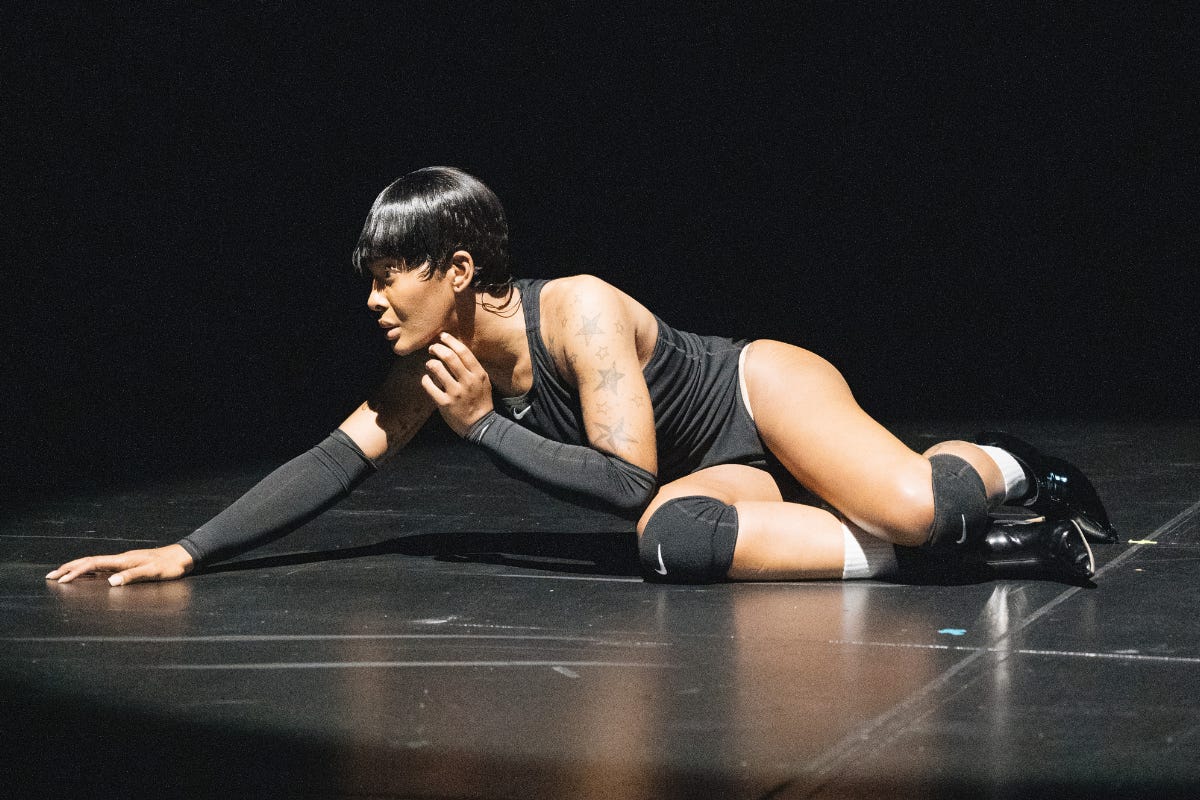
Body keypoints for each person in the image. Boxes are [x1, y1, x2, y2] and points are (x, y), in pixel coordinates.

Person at [46, 167, 1116, 588]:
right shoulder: (433, 366)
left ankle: (1014, 469)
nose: (374, 303)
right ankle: (946, 558)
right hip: (712, 474)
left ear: (459, 271)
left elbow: (615, 474)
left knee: (909, 503)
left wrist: (486, 428)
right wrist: (187, 550)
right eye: (366, 283)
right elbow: (337, 460)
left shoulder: (583, 310)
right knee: (669, 543)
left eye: (391, 279)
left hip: (756, 394)